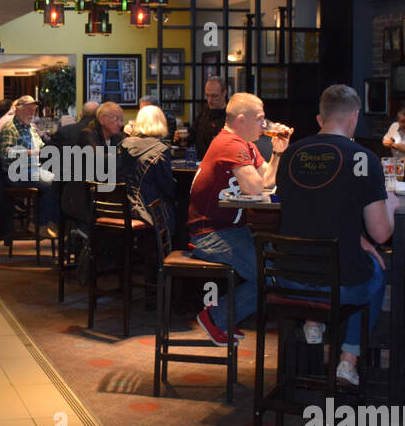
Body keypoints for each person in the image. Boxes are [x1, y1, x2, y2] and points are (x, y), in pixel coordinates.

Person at [274, 85, 400, 387]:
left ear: (321, 118)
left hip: (288, 279)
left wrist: (357, 238)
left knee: (357, 260)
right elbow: (381, 234)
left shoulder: (290, 154)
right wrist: (392, 206)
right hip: (339, 285)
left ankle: (313, 322)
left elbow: (310, 214)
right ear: (354, 117)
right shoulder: (363, 158)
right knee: (377, 271)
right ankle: (348, 359)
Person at [186, 92, 292, 345]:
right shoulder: (230, 144)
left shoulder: (246, 144)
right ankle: (216, 317)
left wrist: (278, 153)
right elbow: (255, 189)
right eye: (261, 119)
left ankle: (223, 317)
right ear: (241, 119)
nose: (265, 125)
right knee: (269, 274)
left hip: (232, 230)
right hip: (209, 234)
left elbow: (267, 181)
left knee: (276, 269)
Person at [0, 95, 61, 238]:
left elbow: (42, 147)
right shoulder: (10, 128)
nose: (31, 113)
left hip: (32, 169)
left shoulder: (31, 129)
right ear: (17, 110)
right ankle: (40, 224)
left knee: (61, 181)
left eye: (33, 110)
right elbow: (6, 153)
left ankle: (49, 222)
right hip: (16, 172)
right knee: (52, 183)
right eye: (28, 110)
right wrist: (33, 152)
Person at [117, 105, 177, 233]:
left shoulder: (124, 144)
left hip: (122, 209)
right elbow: (168, 187)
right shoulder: (160, 150)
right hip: (149, 214)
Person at [190, 76, 228, 157]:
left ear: (224, 93)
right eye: (207, 95)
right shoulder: (203, 113)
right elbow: (191, 136)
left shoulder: (231, 116)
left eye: (214, 96)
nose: (210, 100)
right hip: (201, 162)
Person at [381, 105, 405, 173]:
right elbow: (384, 141)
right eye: (403, 122)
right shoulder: (394, 126)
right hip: (396, 168)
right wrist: (387, 143)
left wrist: (395, 145)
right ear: (398, 121)